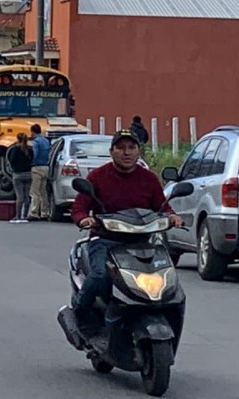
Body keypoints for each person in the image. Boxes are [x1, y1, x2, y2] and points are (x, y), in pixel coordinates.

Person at [69, 129, 183, 331]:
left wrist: (172, 216)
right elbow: (79, 207)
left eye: (131, 147)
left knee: (167, 280)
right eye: (121, 148)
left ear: (139, 151)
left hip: (142, 242)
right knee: (99, 276)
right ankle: (80, 312)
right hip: (105, 241)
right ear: (112, 151)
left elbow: (162, 206)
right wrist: (84, 219)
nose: (127, 153)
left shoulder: (148, 178)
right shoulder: (98, 177)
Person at [6, 133, 34, 223]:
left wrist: (13, 168)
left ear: (17, 139)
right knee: (27, 196)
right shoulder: (30, 149)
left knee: (19, 196)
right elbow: (32, 159)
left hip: (18, 174)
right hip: (29, 174)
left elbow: (11, 160)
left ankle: (18, 215)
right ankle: (25, 216)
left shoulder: (14, 149)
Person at [28, 124, 52, 219]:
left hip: (37, 167)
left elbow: (35, 154)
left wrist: (31, 162)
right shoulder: (46, 141)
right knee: (43, 191)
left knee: (35, 192)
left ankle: (34, 212)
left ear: (33, 132)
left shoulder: (36, 142)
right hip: (46, 167)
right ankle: (44, 212)